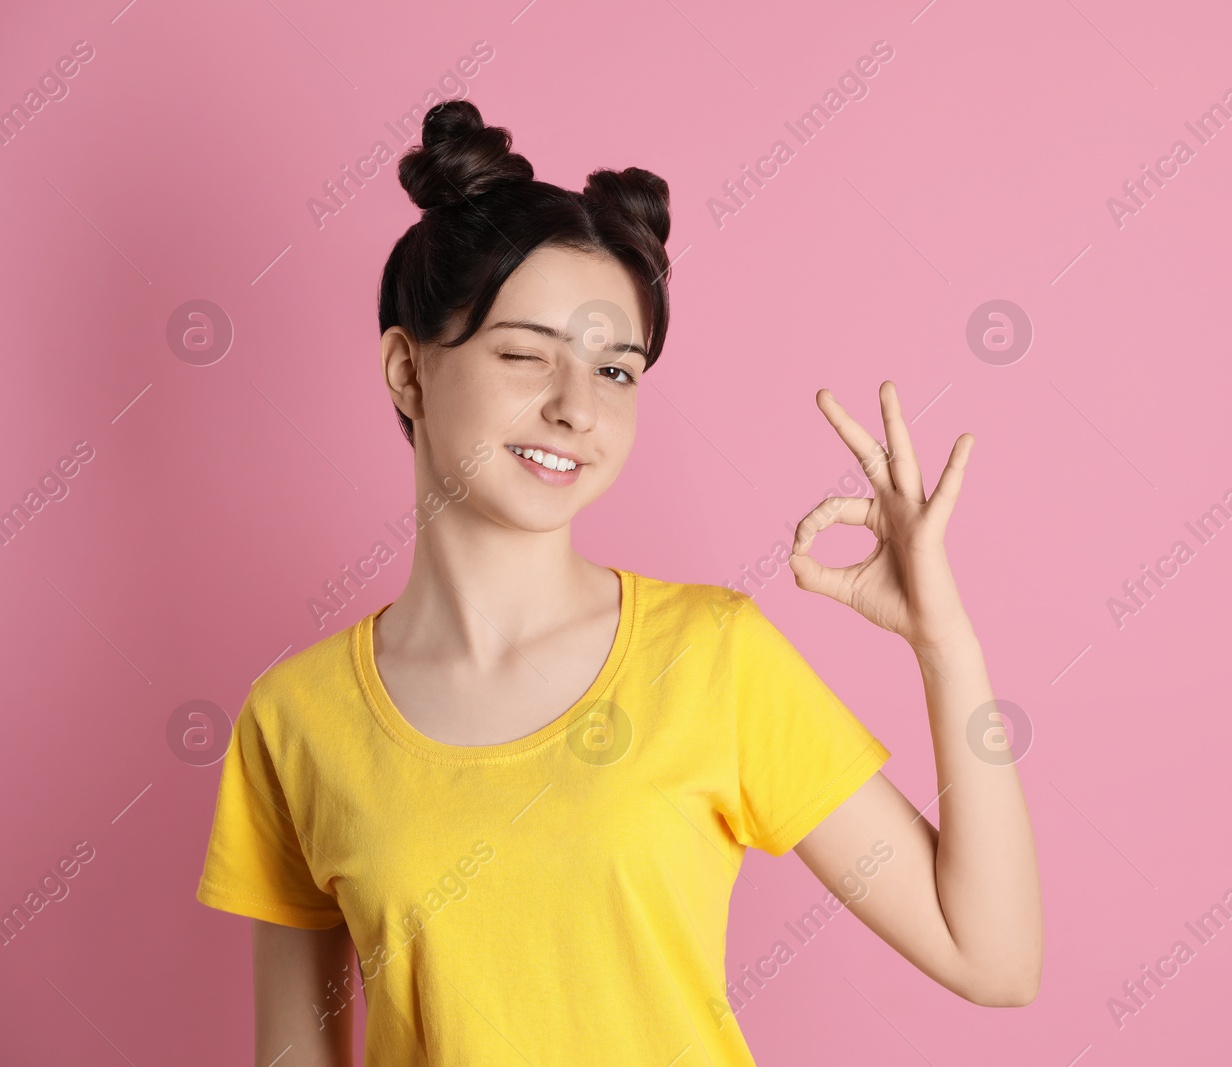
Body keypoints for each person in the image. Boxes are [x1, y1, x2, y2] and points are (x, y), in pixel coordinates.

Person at [195, 99, 1041, 1067]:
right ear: (407, 368)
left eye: (616, 370)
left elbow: (995, 957)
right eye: (523, 354)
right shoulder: (294, 717)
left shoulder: (712, 653)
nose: (574, 408)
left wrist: (946, 642)